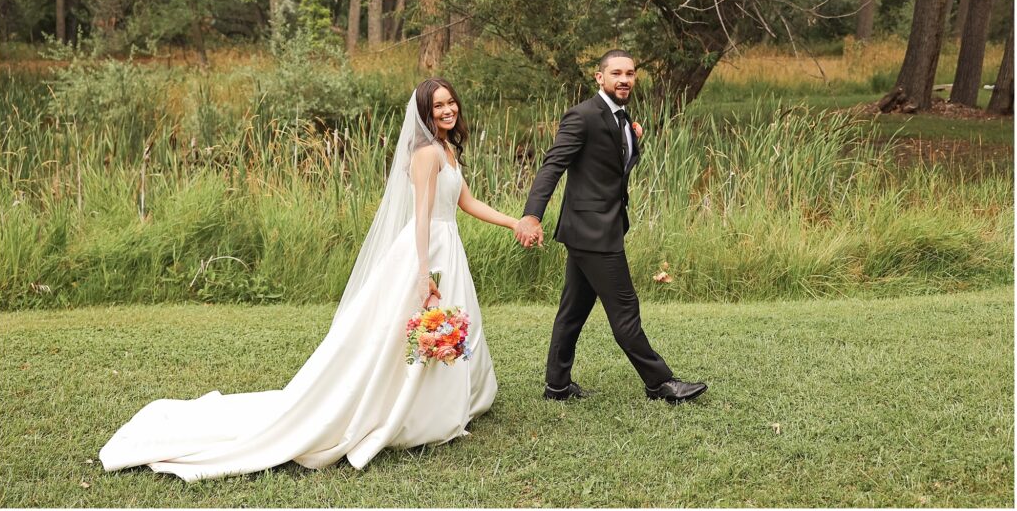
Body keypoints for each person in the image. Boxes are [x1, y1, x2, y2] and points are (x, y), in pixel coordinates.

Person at [100, 78, 515, 481]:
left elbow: (467, 201)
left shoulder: (447, 149)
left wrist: (514, 222)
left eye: (450, 102)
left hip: (449, 246)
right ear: (425, 112)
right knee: (405, 334)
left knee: (451, 327)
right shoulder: (425, 153)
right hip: (426, 250)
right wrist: (424, 273)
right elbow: (421, 215)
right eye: (438, 105)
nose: (447, 109)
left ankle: (446, 401)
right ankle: (408, 410)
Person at [515, 49, 708, 404]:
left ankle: (556, 385)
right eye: (616, 73)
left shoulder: (621, 117)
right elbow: (552, 166)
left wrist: (634, 140)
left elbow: (612, 166)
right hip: (593, 232)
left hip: (598, 227)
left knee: (572, 312)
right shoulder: (583, 116)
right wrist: (532, 215)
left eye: (630, 74)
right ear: (599, 77)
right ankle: (660, 383)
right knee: (625, 311)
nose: (624, 80)